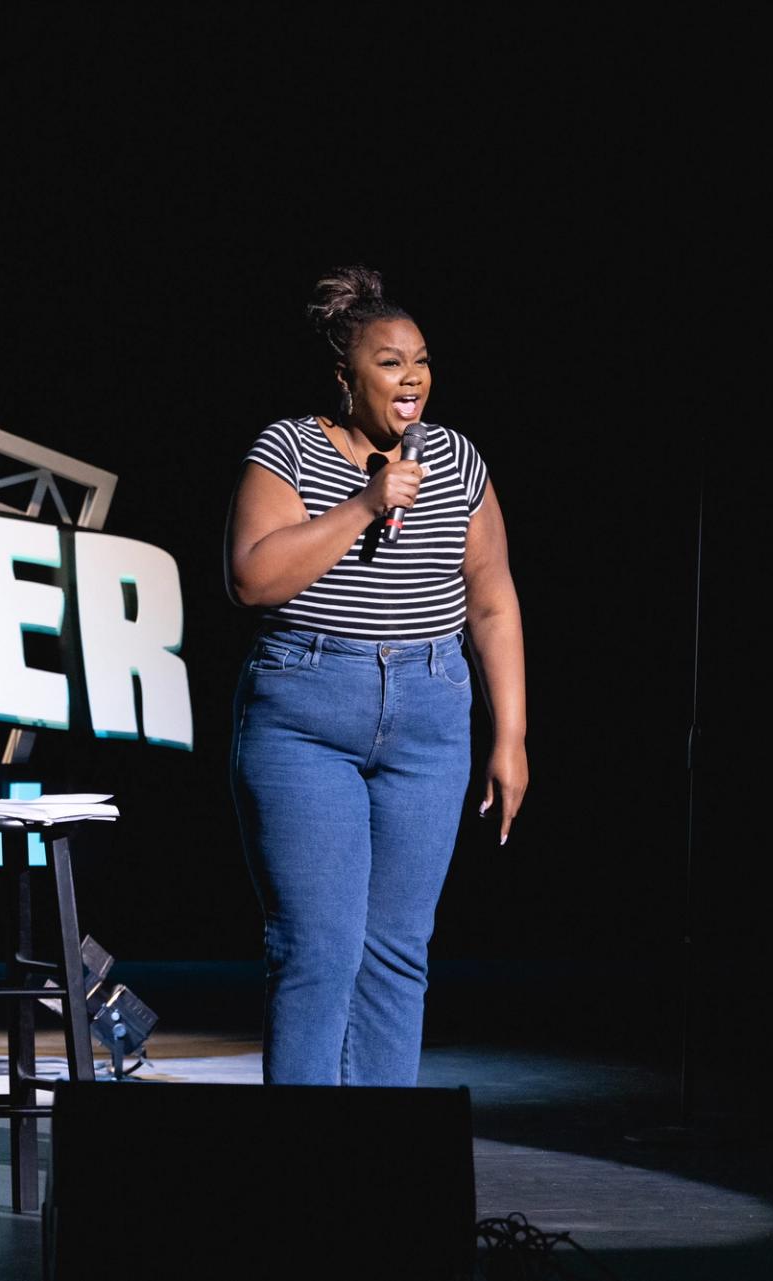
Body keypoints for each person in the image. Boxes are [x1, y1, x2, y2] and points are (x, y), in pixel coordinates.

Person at [223, 266, 527, 1086]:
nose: (412, 378)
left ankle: (379, 1156)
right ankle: (304, 1153)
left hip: (430, 712)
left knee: (397, 950)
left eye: (421, 361)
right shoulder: (287, 448)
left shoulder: (457, 459)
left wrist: (511, 735)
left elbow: (491, 599)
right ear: (344, 376)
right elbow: (251, 578)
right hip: (307, 712)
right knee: (317, 946)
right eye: (390, 363)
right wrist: (364, 502)